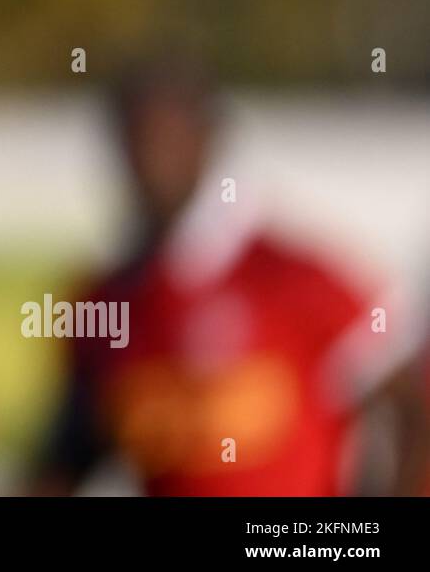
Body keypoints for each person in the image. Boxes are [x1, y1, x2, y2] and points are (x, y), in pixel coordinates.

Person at [32, 57, 426, 495]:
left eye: (166, 139)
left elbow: (414, 408)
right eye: (135, 141)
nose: (150, 162)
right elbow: (68, 456)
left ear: (207, 139)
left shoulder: (294, 279)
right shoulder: (105, 303)